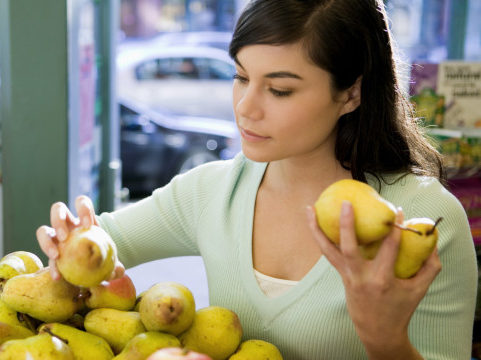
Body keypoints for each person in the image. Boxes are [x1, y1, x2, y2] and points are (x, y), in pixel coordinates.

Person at [37, 0, 477, 358]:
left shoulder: (424, 221)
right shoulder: (212, 191)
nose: (246, 107)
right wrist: (72, 240)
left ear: (351, 93)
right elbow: (104, 241)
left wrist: (386, 342)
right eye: (241, 76)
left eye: (279, 89)